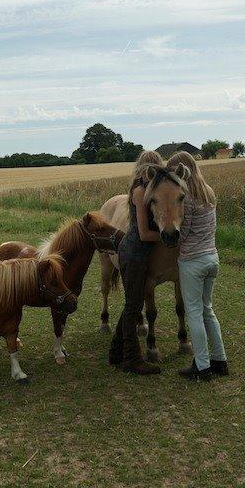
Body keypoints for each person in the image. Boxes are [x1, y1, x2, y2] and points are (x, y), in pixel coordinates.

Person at [166, 151, 227, 382]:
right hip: (212, 257)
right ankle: (219, 360)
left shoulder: (187, 197)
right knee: (207, 310)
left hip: (193, 261)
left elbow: (185, 232)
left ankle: (202, 366)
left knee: (193, 314)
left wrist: (168, 243)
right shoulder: (208, 191)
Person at [109, 150, 164, 375]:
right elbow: (143, 233)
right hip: (133, 252)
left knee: (132, 304)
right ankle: (131, 359)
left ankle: (115, 352)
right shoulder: (140, 191)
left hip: (137, 253)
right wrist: (167, 236)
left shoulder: (147, 188)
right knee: (133, 306)